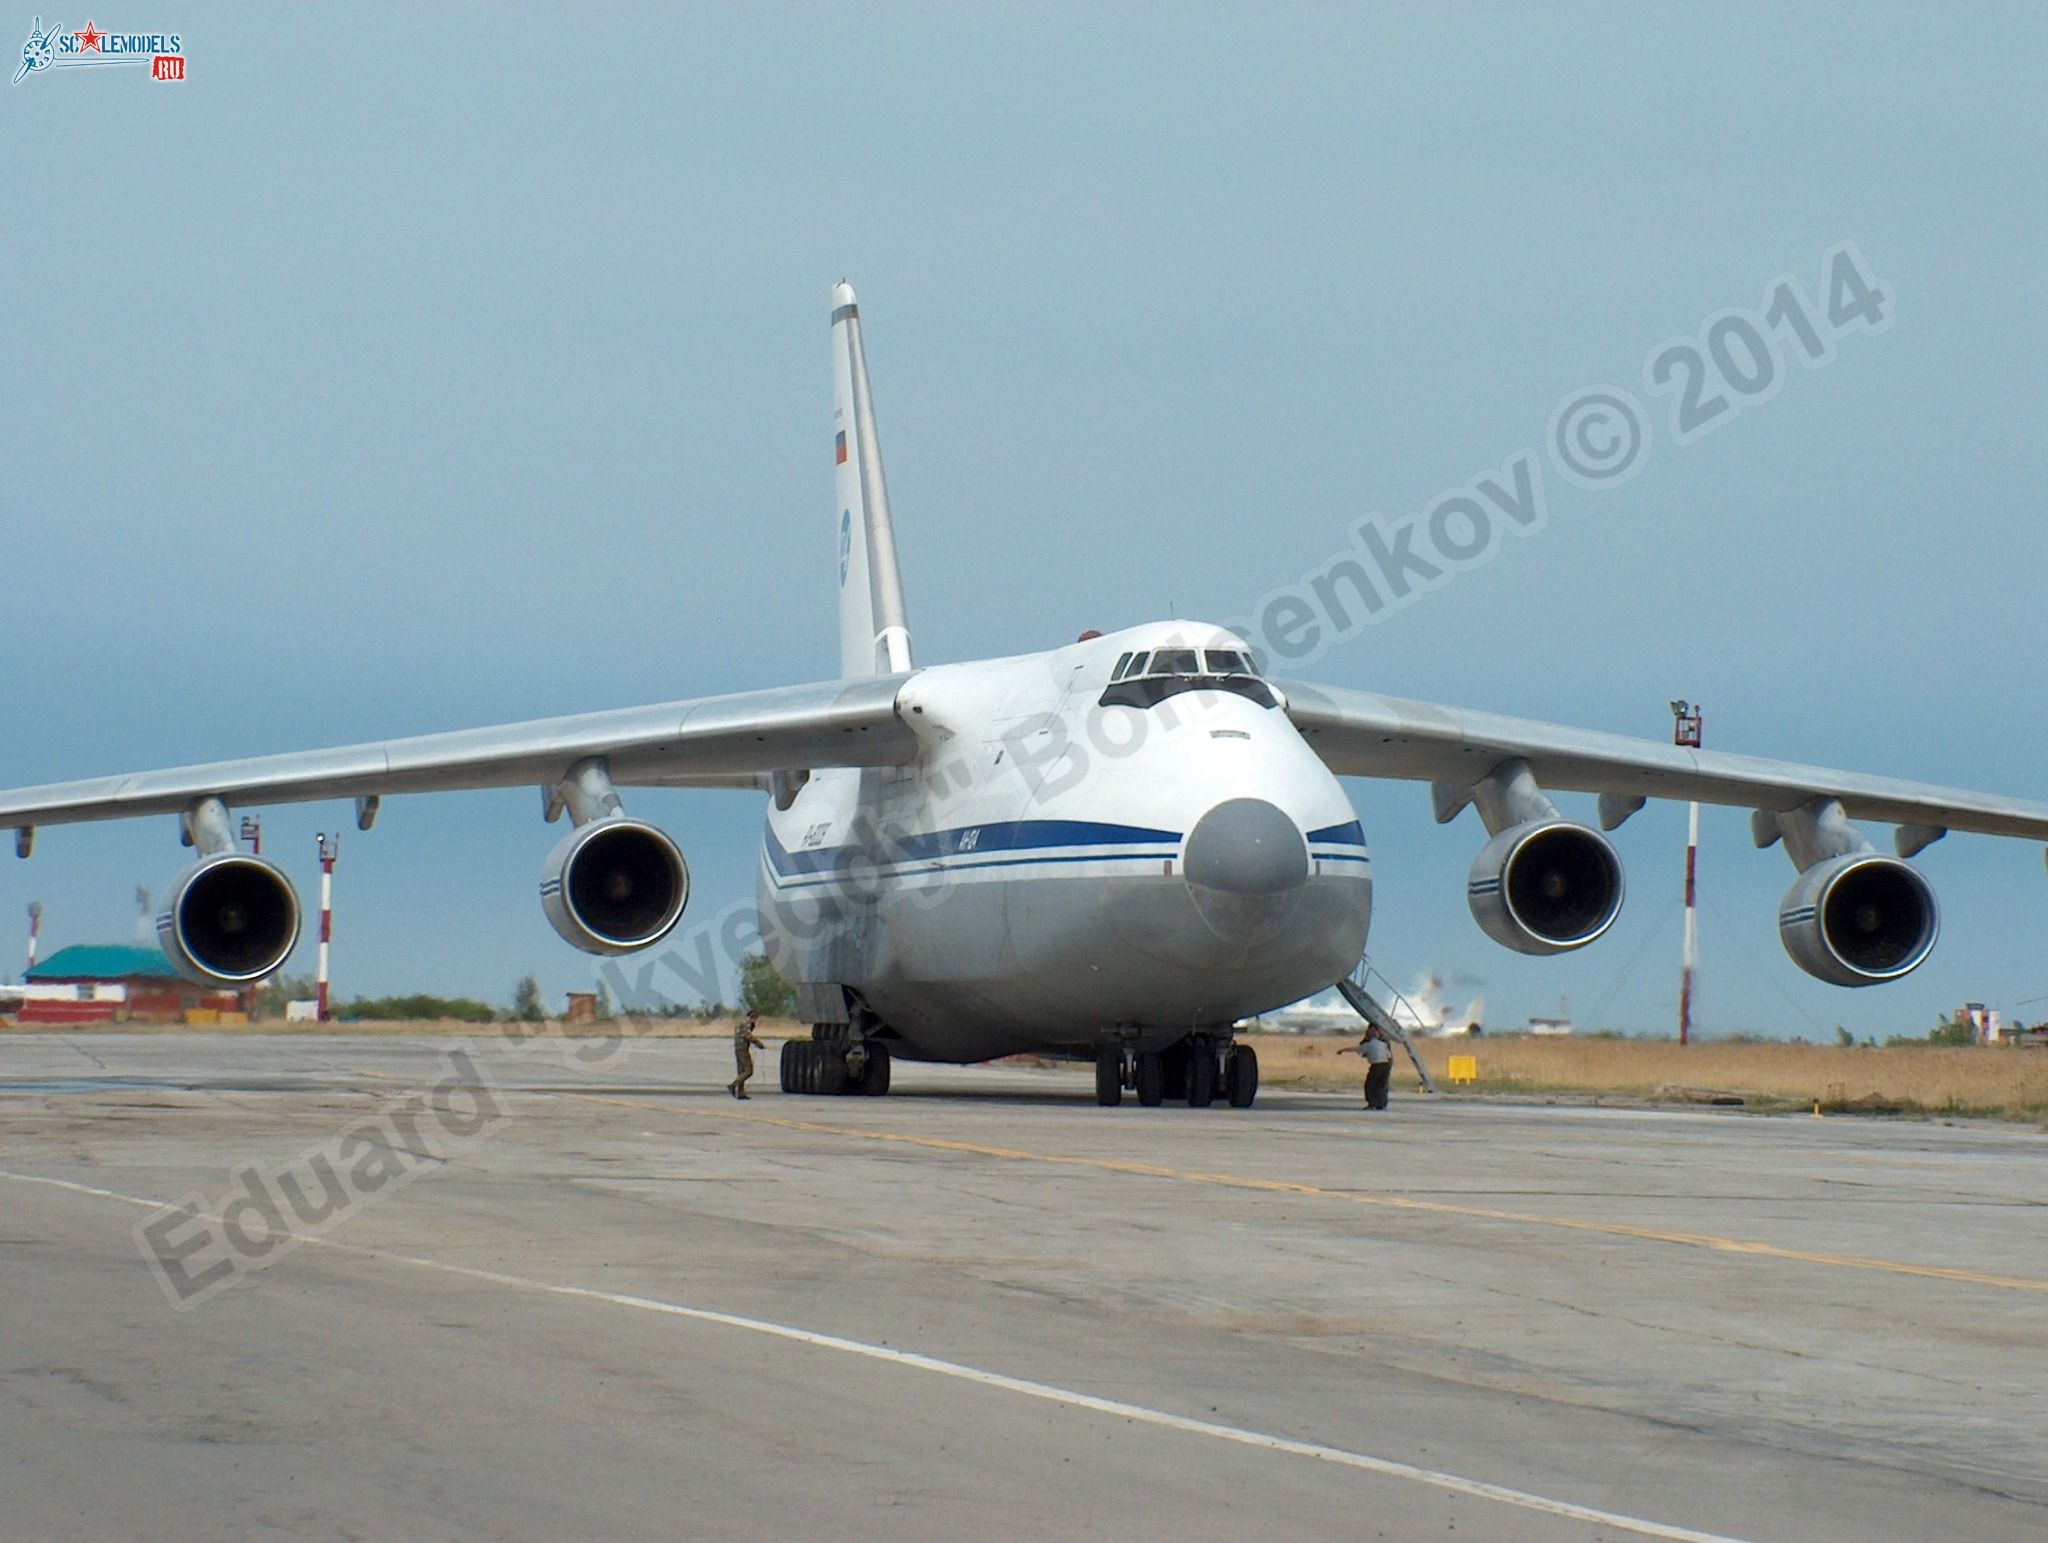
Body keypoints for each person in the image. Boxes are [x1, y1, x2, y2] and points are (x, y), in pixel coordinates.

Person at [1340, 1025, 1395, 1110]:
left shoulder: (1368, 1044)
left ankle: (1372, 1104)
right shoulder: (1383, 1044)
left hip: (1377, 1065)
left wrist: (1342, 1050)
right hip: (1386, 1065)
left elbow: (1355, 1049)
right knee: (1382, 1085)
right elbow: (1389, 1056)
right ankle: (1382, 1104)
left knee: (1370, 1085)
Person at [728, 1010, 767, 1099]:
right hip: (743, 1049)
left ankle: (740, 1093)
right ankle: (733, 1085)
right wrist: (758, 1043)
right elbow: (748, 1036)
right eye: (755, 1019)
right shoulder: (746, 1024)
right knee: (749, 1071)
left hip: (738, 1048)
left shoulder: (741, 1023)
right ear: (752, 1017)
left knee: (741, 1071)